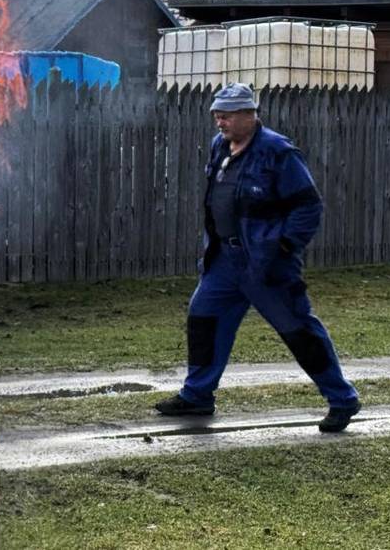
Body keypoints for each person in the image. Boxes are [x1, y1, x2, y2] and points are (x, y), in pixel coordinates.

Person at [154, 82, 361, 433]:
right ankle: (197, 395)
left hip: (266, 264)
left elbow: (308, 206)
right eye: (217, 115)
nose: (220, 122)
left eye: (227, 116)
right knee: (203, 319)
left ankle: (342, 399)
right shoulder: (220, 146)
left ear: (249, 114)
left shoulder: (278, 152)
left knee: (298, 330)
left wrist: (284, 247)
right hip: (223, 259)